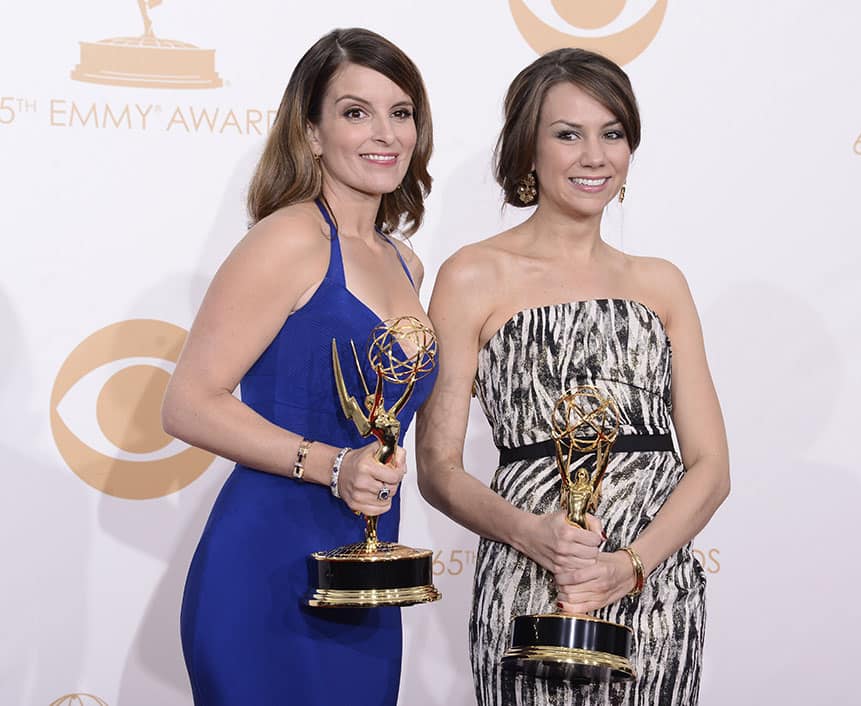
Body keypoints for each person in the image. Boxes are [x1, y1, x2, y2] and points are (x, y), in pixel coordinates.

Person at [415, 48, 729, 706]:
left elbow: (710, 466)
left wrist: (631, 566)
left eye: (612, 133)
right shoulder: (472, 277)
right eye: (568, 134)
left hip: (655, 587)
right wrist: (531, 534)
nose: (594, 156)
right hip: (534, 579)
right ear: (529, 148)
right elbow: (437, 468)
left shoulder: (660, 283)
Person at [161, 27, 435, 706]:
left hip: (366, 572)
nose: (384, 133)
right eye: (354, 112)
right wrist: (331, 466)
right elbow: (189, 402)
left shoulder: (406, 261)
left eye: (400, 112)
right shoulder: (287, 239)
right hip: (269, 564)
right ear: (310, 133)